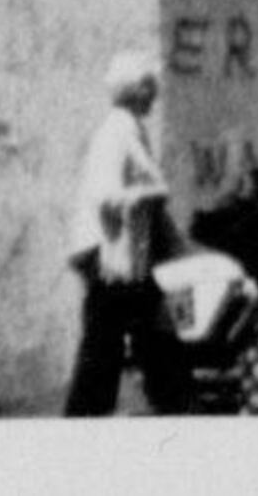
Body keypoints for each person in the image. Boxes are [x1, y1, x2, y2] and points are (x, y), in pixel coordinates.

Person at [61, 50, 173, 415]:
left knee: (123, 342)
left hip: (121, 255)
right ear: (139, 89)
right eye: (151, 87)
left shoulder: (126, 128)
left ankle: (174, 406)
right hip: (111, 255)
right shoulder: (119, 131)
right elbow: (107, 195)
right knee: (110, 345)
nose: (155, 94)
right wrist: (150, 193)